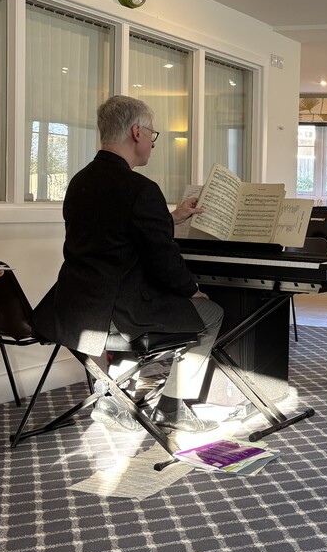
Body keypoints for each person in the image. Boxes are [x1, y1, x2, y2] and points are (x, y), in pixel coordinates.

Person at [33, 95, 224, 435]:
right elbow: (164, 262)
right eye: (152, 133)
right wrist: (193, 290)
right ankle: (173, 407)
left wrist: (171, 217)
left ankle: (110, 395)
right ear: (137, 132)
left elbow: (112, 231)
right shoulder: (141, 189)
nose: (153, 141)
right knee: (211, 314)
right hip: (118, 317)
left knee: (157, 305)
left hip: (73, 309)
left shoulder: (79, 181)